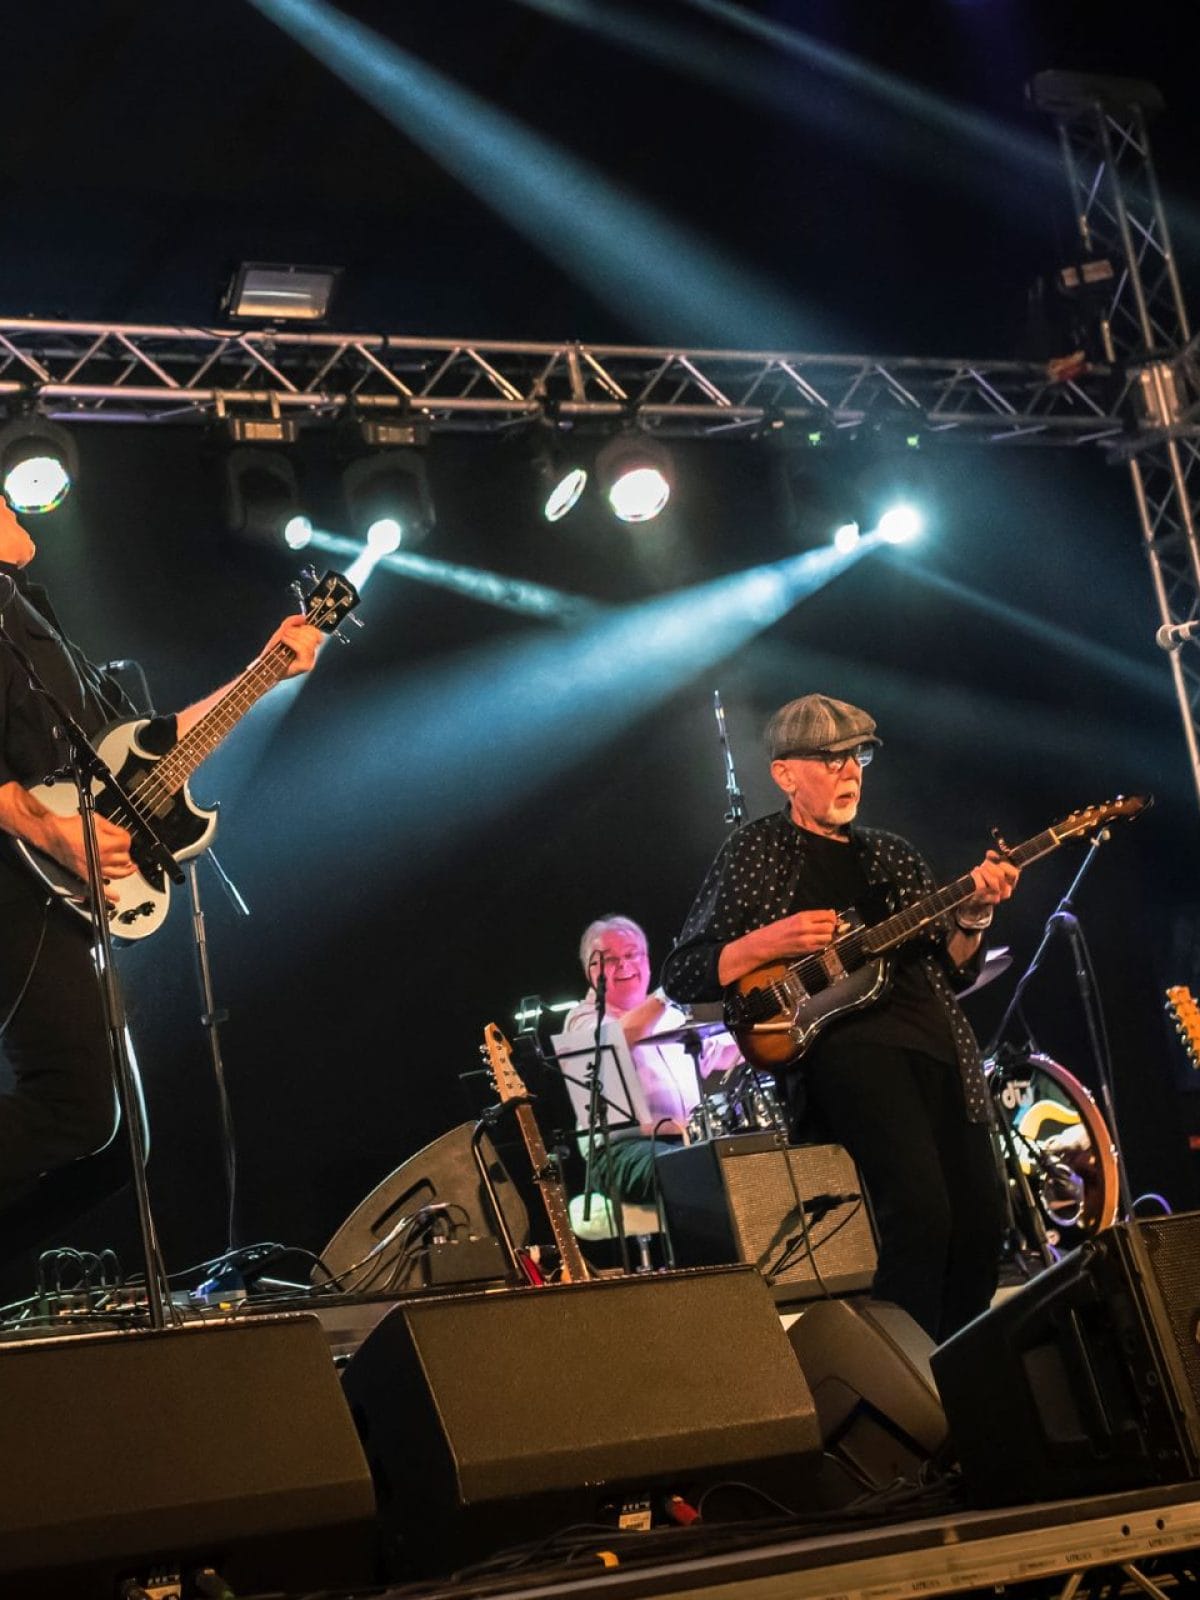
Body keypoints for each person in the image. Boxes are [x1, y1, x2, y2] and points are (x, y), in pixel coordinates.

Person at [0, 491, 326, 1249]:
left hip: (66, 896)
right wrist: (53, 831)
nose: (19, 509)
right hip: (16, 882)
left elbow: (143, 747)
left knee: (119, 1151)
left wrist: (265, 670)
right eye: (6, 501)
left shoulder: (30, 617)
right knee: (78, 1113)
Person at [662, 693, 1018, 1342]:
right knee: (921, 1212)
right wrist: (770, 942)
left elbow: (959, 968)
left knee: (982, 1224)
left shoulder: (893, 855)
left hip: (941, 1049)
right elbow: (685, 972)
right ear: (785, 774)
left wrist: (974, 915)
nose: (850, 770)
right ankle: (907, 1382)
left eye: (857, 757)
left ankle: (962, 1375)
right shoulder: (757, 852)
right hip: (850, 1052)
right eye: (831, 759)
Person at [563, 914, 740, 1203]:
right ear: (590, 971)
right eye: (609, 959)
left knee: (750, 1155)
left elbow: (721, 1051)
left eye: (632, 954)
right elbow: (619, 1037)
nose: (624, 965)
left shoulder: (670, 1015)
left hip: (688, 1140)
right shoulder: (581, 1019)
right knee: (695, 1169)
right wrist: (668, 991)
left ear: (646, 960)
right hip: (621, 1152)